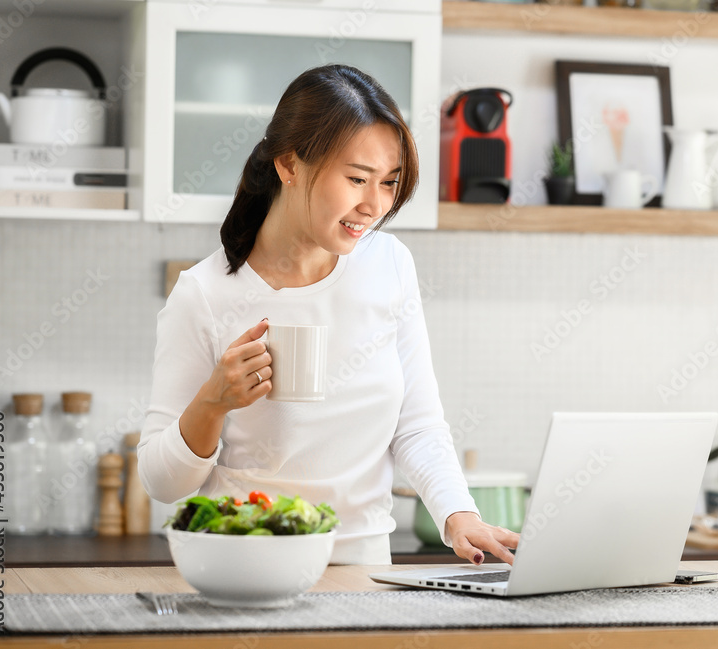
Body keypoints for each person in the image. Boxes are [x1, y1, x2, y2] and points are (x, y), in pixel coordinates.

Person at [139, 64, 519, 566]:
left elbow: (418, 424)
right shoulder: (204, 294)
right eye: (357, 179)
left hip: (366, 575)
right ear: (289, 165)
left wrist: (458, 515)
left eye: (389, 183)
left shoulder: (390, 265)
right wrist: (212, 403)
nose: (373, 205)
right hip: (245, 569)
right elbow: (161, 483)